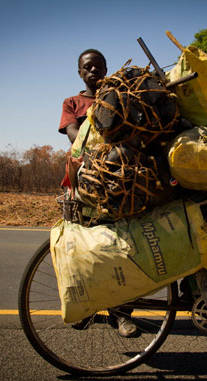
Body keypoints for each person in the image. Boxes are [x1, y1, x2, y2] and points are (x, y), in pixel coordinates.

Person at [58, 49, 137, 338]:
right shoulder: (73, 102)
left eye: (98, 66)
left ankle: (122, 314)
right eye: (87, 67)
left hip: (116, 183)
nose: (93, 71)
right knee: (85, 249)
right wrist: (91, 142)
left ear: (106, 69)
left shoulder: (117, 96)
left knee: (121, 248)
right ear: (80, 72)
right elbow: (72, 131)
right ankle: (88, 307)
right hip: (83, 181)